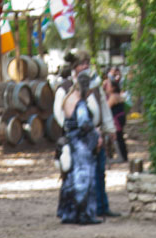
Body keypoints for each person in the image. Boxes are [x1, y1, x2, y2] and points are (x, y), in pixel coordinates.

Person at [54, 51, 119, 220]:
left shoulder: (94, 86)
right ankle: (81, 212)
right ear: (74, 67)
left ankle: (101, 207)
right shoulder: (65, 88)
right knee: (79, 176)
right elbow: (61, 115)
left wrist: (109, 128)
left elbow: (103, 108)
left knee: (99, 172)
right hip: (79, 138)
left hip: (94, 134)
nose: (85, 67)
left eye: (86, 63)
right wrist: (77, 132)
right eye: (81, 64)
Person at [54, 68, 102, 224]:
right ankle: (84, 214)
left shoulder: (68, 97)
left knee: (70, 180)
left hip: (71, 142)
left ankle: (69, 213)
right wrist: (96, 134)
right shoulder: (80, 103)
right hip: (81, 145)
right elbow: (84, 125)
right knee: (83, 179)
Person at [106, 76, 128, 162]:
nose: (106, 88)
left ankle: (121, 156)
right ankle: (123, 156)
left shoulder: (113, 96)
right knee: (119, 137)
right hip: (120, 117)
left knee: (118, 137)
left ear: (113, 88)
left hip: (117, 119)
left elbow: (107, 107)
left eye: (108, 86)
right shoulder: (117, 95)